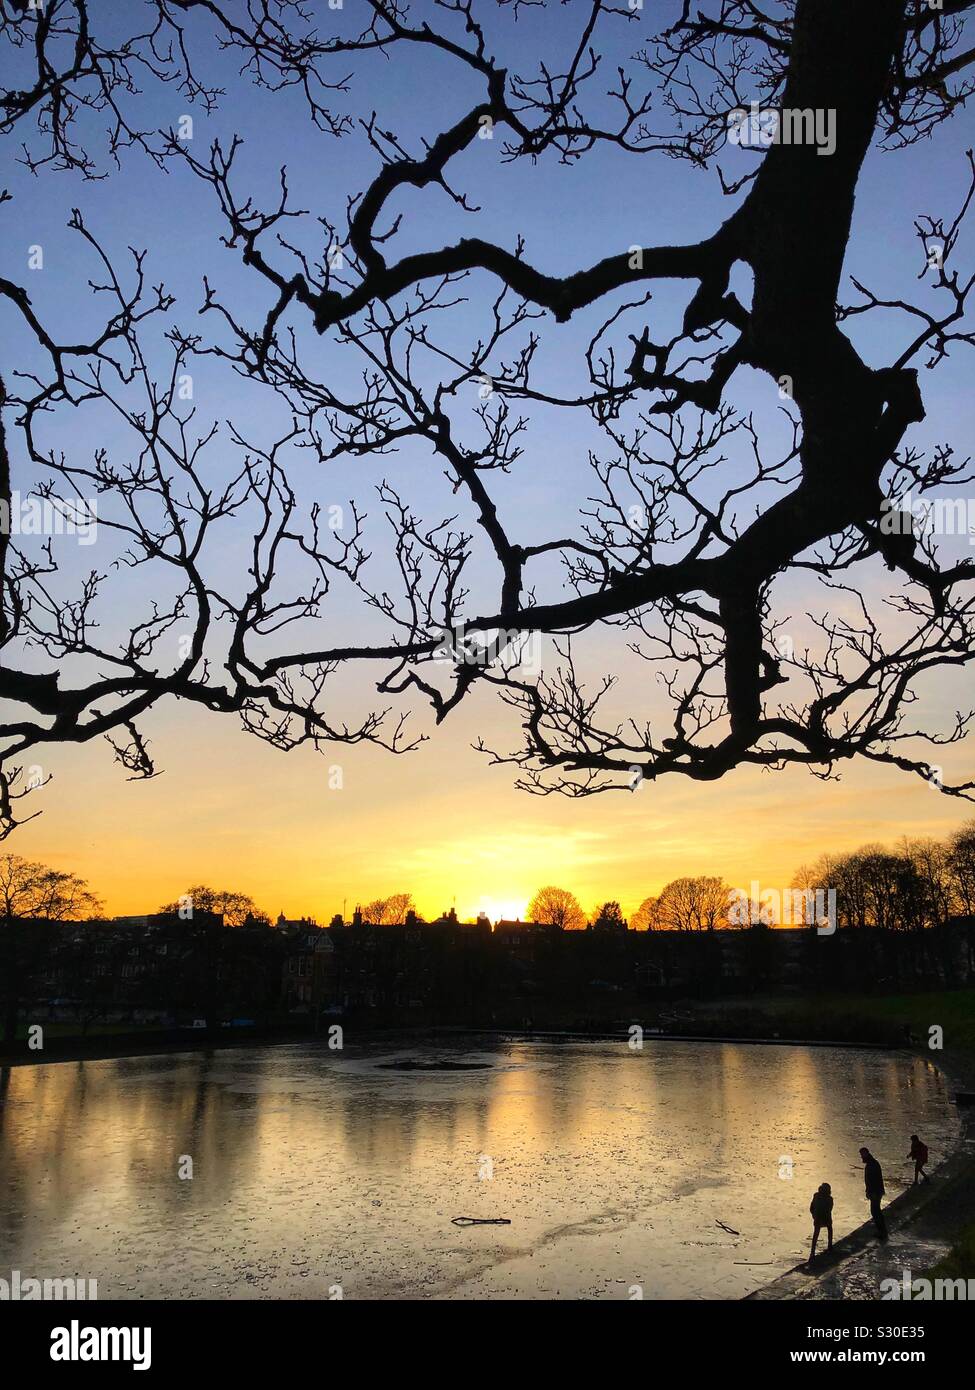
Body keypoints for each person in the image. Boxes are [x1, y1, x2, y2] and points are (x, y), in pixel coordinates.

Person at [860, 1147, 887, 1240]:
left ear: (866, 1154)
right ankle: (882, 1231)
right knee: (876, 1211)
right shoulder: (872, 1163)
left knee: (875, 1211)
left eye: (862, 1155)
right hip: (876, 1191)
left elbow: (874, 1180)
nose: (861, 1157)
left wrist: (871, 1192)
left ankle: (882, 1231)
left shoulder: (872, 1164)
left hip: (875, 1192)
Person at [808, 1182, 833, 1262]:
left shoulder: (816, 1196)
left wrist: (814, 1215)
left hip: (818, 1218)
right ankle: (830, 1245)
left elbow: (811, 1207)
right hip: (825, 1218)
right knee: (829, 1229)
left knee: (816, 1234)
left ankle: (812, 1251)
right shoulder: (829, 1199)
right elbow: (830, 1209)